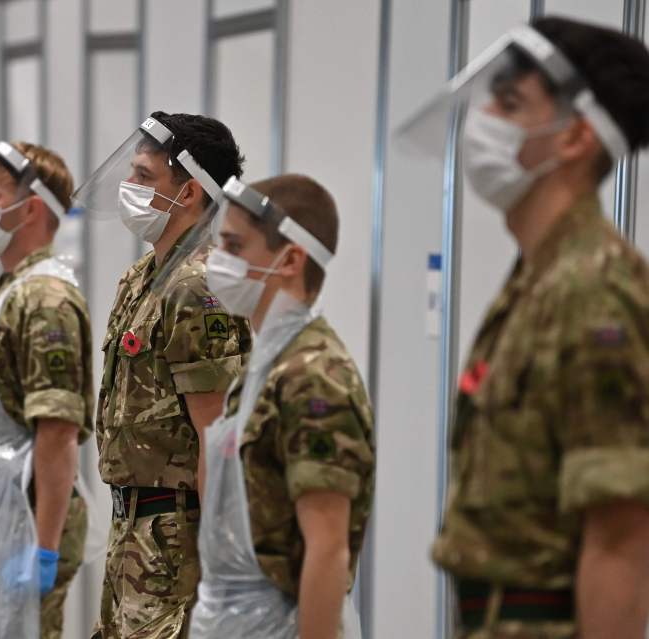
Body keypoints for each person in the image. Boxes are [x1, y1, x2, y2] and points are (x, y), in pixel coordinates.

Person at [399, 16, 649, 638]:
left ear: (574, 139)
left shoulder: (593, 291)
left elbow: (619, 541)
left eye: (510, 104)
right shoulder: (538, 279)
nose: (484, 122)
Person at [73, 112, 252, 638]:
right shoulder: (144, 278)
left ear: (189, 192)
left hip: (177, 539)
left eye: (145, 177)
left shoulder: (199, 286)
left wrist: (218, 571)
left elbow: (214, 436)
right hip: (132, 528)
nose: (130, 187)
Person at [188, 175, 373, 639]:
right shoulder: (266, 365)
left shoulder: (314, 376)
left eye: (234, 245)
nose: (217, 260)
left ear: (290, 259)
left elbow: (328, 549)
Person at [0, 141, 92, 639]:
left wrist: (44, 547)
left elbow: (57, 428)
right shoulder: (7, 289)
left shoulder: (46, 297)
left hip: (21, 522)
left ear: (29, 208)